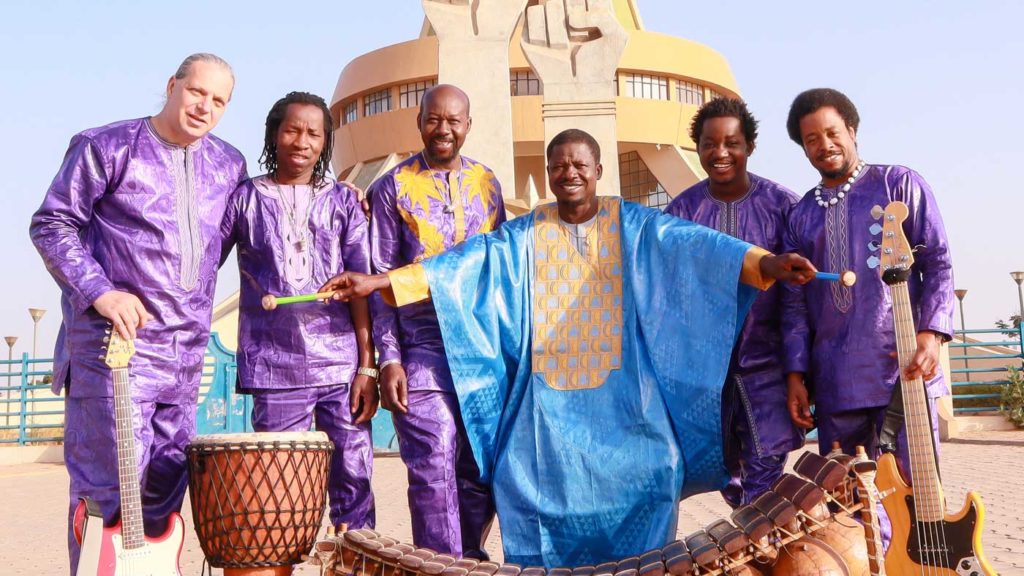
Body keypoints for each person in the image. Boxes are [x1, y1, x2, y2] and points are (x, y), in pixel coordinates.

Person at [323, 129, 816, 567]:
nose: (570, 173)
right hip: (544, 408)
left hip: (628, 403)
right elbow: (463, 264)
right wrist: (379, 280)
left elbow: (693, 244)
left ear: (599, 170)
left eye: (580, 164)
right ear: (548, 173)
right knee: (520, 478)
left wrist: (764, 265)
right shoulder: (525, 233)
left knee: (656, 467)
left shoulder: (633, 223)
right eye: (559, 165)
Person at [29, 53, 246, 573]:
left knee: (163, 491)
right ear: (172, 85)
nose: (205, 107)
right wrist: (101, 291)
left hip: (186, 354)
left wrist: (342, 199)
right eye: (197, 92)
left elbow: (249, 227)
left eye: (219, 101)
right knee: (108, 492)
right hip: (115, 352)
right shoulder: (105, 146)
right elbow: (51, 225)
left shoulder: (229, 164)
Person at [220, 91, 377, 532]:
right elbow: (202, 264)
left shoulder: (345, 201)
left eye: (313, 133)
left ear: (325, 142)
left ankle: (354, 560)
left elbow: (360, 286)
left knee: (354, 478)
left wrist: (367, 366)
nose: (302, 141)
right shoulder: (245, 198)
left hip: (340, 367)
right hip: (274, 368)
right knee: (277, 490)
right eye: (292, 130)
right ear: (274, 134)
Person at [782, 87, 954, 481]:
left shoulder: (899, 184)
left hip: (903, 372)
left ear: (852, 130)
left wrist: (931, 333)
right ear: (804, 149)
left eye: (832, 132)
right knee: (851, 511)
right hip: (834, 382)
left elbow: (939, 262)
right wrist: (795, 376)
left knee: (917, 498)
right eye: (812, 140)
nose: (824, 145)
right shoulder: (801, 216)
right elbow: (793, 306)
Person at [366, 84, 505, 558]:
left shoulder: (488, 183)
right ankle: (440, 568)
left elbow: (499, 270)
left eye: (453, 121)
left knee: (479, 470)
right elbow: (378, 283)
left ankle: (469, 559)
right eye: (433, 119)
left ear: (468, 125)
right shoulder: (391, 187)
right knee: (432, 464)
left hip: (482, 348)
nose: (443, 129)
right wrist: (388, 361)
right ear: (419, 121)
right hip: (421, 347)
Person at [665, 97, 804, 508]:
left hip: (768, 366)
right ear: (698, 147)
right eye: (710, 143)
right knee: (724, 470)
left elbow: (797, 299)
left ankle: (756, 551)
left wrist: (798, 369)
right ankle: (752, 546)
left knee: (765, 469)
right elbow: (666, 297)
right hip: (705, 372)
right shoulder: (681, 212)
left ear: (749, 146)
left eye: (732, 143)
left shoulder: (783, 206)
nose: (721, 153)